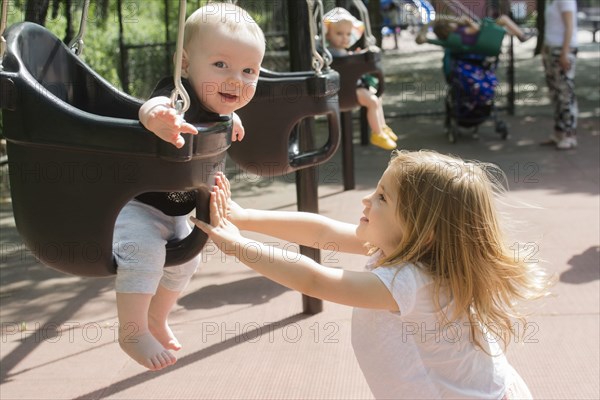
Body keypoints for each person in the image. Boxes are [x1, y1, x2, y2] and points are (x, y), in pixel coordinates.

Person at [192, 150, 553, 399]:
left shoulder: (410, 282)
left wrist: (238, 246)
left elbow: (314, 280)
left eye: (382, 197)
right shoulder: (403, 247)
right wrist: (243, 216)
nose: (367, 201)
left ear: (422, 230)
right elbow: (322, 233)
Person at [114, 2, 265, 371]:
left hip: (179, 208)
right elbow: (149, 106)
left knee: (187, 261)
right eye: (220, 65)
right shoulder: (177, 95)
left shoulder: (219, 104)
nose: (235, 80)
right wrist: (158, 117)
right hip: (136, 206)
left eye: (249, 71)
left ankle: (156, 318)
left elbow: (220, 105)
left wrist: (233, 113)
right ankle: (131, 330)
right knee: (144, 253)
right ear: (184, 65)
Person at [323, 7, 398, 151]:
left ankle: (382, 127)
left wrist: (357, 55)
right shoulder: (329, 53)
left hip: (353, 87)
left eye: (348, 34)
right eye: (339, 33)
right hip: (344, 92)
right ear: (327, 34)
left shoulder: (343, 51)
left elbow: (348, 59)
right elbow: (342, 61)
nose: (344, 37)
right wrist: (357, 57)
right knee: (372, 101)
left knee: (377, 98)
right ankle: (377, 134)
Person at [540, 0, 578, 150]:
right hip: (551, 50)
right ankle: (559, 132)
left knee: (565, 93)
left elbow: (570, 26)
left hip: (562, 51)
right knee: (555, 93)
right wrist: (544, 49)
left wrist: (565, 53)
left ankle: (569, 135)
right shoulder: (551, 1)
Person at [416, 14, 531, 45]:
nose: (453, 23)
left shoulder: (456, 32)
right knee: (504, 19)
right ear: (447, 28)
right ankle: (521, 36)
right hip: (483, 35)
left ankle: (518, 34)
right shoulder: (459, 32)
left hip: (484, 33)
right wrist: (467, 20)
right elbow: (476, 29)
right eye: (450, 23)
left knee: (502, 24)